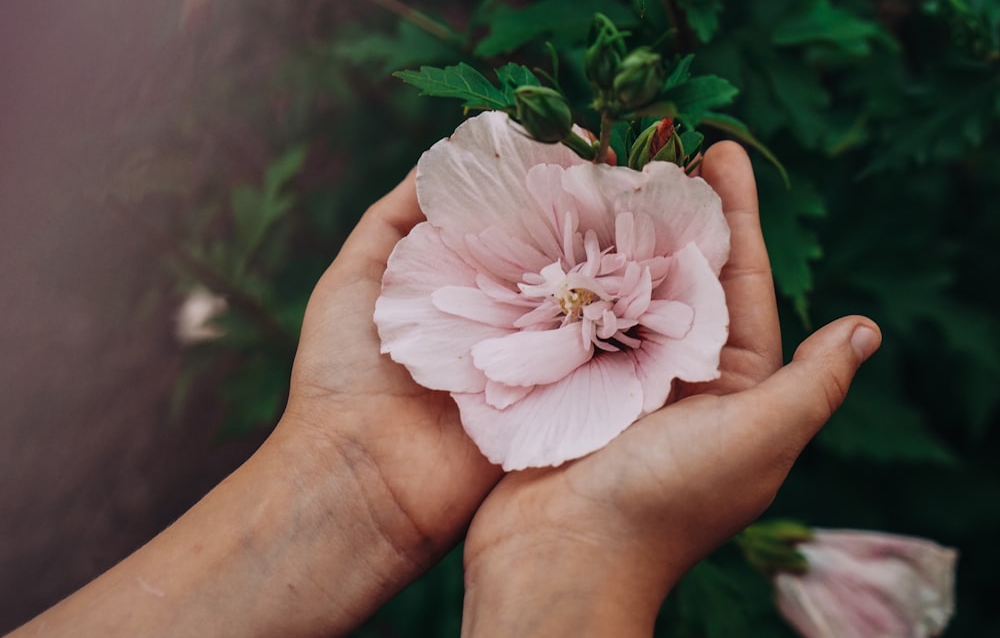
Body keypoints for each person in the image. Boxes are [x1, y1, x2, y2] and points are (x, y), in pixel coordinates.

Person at [8, 142, 880, 637]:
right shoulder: (513, 324)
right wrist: (585, 552)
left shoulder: (664, 273)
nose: (575, 294)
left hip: (644, 326)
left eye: (578, 295)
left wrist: (348, 482)